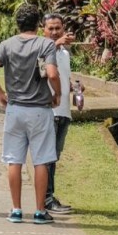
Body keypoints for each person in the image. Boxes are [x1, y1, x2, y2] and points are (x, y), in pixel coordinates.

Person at [0, 4, 62, 225]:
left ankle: (16, 209)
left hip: (15, 109)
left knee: (14, 161)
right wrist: (58, 93)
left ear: (18, 23)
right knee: (41, 161)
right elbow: (53, 73)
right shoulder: (45, 44)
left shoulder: (7, 45)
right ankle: (39, 210)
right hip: (39, 110)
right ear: (38, 24)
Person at [43, 14, 75, 215]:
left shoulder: (64, 53)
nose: (55, 32)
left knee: (54, 156)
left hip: (64, 110)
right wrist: (56, 44)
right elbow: (39, 64)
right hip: (49, 111)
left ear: (63, 28)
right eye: (51, 29)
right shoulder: (44, 49)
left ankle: (49, 196)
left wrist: (73, 87)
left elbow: (62, 77)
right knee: (47, 157)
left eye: (58, 28)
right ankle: (47, 198)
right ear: (43, 30)